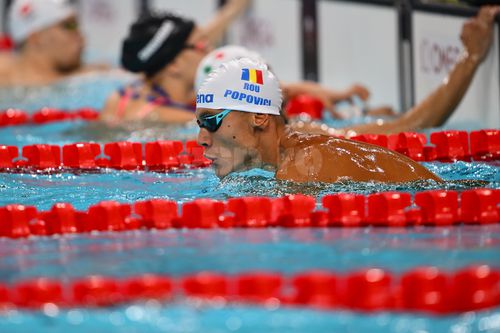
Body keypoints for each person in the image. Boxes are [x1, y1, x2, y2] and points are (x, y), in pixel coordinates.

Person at [196, 6, 499, 137]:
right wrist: (470, 57)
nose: (284, 88)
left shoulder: (223, 136)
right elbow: (416, 124)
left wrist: (362, 115)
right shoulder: (302, 134)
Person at [195, 58, 442, 183]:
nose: (201, 139)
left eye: (210, 121)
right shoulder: (294, 156)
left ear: (259, 117)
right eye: (199, 124)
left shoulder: (302, 168)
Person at [100, 0, 250, 124]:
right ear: (174, 65)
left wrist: (232, 10)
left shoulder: (121, 97)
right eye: (204, 45)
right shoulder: (175, 120)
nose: (212, 52)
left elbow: (182, 45)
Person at [0, 0, 106, 87]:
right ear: (35, 38)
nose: (81, 36)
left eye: (77, 25)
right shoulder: (4, 76)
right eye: (69, 25)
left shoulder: (94, 78)